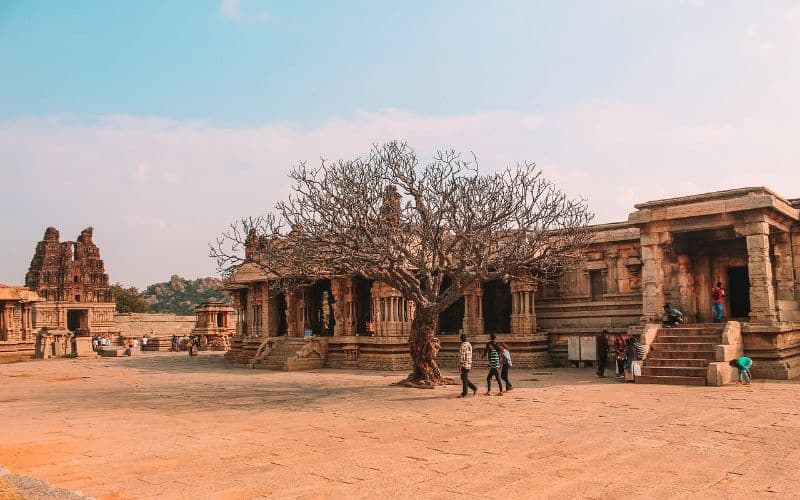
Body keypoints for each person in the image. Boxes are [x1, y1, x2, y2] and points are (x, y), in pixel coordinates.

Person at [458, 333, 478, 398]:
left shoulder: (463, 346)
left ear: (461, 339)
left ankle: (464, 393)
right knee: (464, 378)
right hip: (469, 363)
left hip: (464, 364)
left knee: (464, 378)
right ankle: (474, 388)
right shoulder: (469, 345)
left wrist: (460, 365)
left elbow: (462, 356)